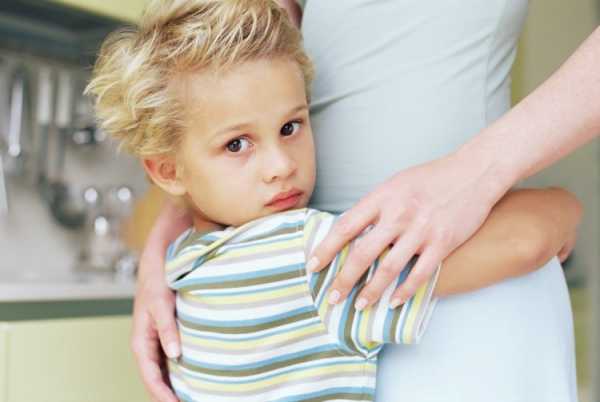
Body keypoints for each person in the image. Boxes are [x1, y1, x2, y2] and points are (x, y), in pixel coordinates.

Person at [126, 1, 589, 401]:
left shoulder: (199, 263)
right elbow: (528, 238)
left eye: (291, 127)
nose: (281, 166)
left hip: (455, 294)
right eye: (237, 145)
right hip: (409, 274)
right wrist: (563, 203)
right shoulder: (304, 260)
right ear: (166, 169)